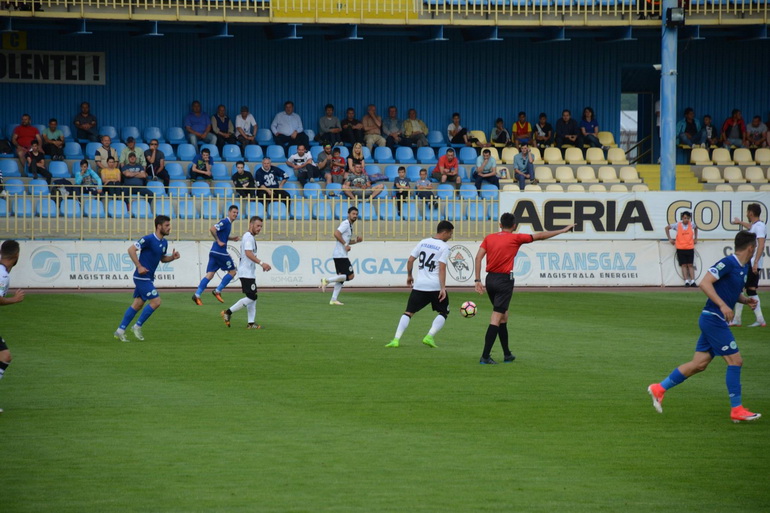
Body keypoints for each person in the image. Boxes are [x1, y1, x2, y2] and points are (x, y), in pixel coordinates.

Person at [647, 230, 762, 423]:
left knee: (699, 364)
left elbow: (729, 291)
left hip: (713, 319)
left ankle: (659, 388)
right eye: (755, 248)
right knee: (735, 361)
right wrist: (723, 305)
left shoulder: (742, 267)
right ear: (750, 248)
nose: (755, 251)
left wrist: (744, 300)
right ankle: (737, 409)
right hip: (714, 319)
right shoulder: (728, 263)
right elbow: (704, 283)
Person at [474, 213, 575, 364]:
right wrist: (562, 230)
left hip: (490, 279)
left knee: (503, 315)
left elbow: (478, 257)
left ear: (500, 225)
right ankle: (485, 356)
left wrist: (477, 280)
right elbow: (540, 236)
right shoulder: (516, 238)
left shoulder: (489, 238)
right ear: (514, 226)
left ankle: (507, 354)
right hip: (504, 281)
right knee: (496, 317)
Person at [386, 220, 455, 349]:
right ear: (445, 232)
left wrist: (409, 275)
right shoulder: (444, 247)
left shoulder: (423, 242)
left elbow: (410, 260)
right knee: (444, 312)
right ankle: (429, 336)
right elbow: (441, 268)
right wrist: (443, 288)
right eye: (450, 234)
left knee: (408, 312)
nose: (451, 237)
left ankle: (396, 339)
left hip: (420, 285)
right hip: (434, 286)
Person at [114, 215, 181, 342]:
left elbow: (162, 258)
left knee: (138, 304)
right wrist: (139, 266)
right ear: (159, 226)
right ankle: (137, 326)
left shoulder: (164, 242)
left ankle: (120, 331)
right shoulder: (148, 239)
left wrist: (172, 257)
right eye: (166, 225)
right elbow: (131, 250)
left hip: (148, 278)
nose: (169, 228)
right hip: (141, 277)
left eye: (169, 225)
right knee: (156, 301)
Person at [221, 216, 272, 330]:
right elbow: (248, 253)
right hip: (246, 273)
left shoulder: (249, 237)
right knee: (252, 296)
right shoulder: (248, 237)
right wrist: (261, 263)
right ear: (251, 225)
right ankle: (228, 312)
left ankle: (251, 323)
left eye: (261, 226)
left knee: (253, 297)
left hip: (248, 272)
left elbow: (250, 254)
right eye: (257, 226)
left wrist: (259, 263)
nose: (259, 228)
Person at [192, 205, 241, 305]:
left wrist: (231, 238)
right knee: (233, 271)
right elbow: (212, 229)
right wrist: (218, 241)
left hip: (213, 251)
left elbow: (222, 235)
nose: (235, 214)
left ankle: (197, 295)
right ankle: (217, 290)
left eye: (237, 213)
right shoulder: (225, 222)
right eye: (234, 212)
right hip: (220, 252)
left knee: (210, 274)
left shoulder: (228, 224)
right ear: (229, 212)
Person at [729, 203, 766, 327]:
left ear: (751, 212)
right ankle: (756, 319)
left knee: (743, 289)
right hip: (751, 262)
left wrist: (755, 262)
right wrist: (740, 222)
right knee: (748, 289)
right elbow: (751, 227)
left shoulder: (759, 227)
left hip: (752, 263)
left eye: (747, 212)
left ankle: (741, 319)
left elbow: (761, 244)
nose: (746, 214)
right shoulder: (756, 226)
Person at [0, 240, 25, 414]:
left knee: (5, 355)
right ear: (16, 255)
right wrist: (13, 300)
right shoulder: (2, 275)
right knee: (5, 356)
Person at [319, 206, 362, 305]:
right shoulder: (345, 223)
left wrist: (356, 241)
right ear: (348, 214)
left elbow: (346, 240)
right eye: (353, 214)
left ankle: (333, 299)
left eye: (356, 214)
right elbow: (336, 233)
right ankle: (327, 280)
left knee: (341, 278)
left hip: (340, 254)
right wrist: (345, 245)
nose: (355, 216)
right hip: (340, 255)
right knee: (350, 276)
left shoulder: (350, 226)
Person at [665, 211, 698, 287]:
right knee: (683, 265)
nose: (686, 220)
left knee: (690, 264)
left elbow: (696, 228)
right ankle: (686, 281)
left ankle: (693, 281)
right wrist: (670, 239)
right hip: (680, 247)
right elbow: (667, 228)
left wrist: (696, 238)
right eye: (685, 218)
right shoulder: (677, 225)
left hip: (689, 247)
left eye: (688, 218)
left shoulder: (691, 224)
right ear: (682, 218)